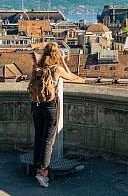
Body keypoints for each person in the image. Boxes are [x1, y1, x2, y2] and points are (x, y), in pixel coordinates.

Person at [29, 42, 85, 188]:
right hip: (50, 106)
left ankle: (36, 167)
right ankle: (42, 173)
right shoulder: (56, 69)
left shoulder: (37, 68)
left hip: (36, 105)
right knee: (48, 140)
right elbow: (72, 77)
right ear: (56, 54)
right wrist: (62, 61)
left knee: (39, 137)